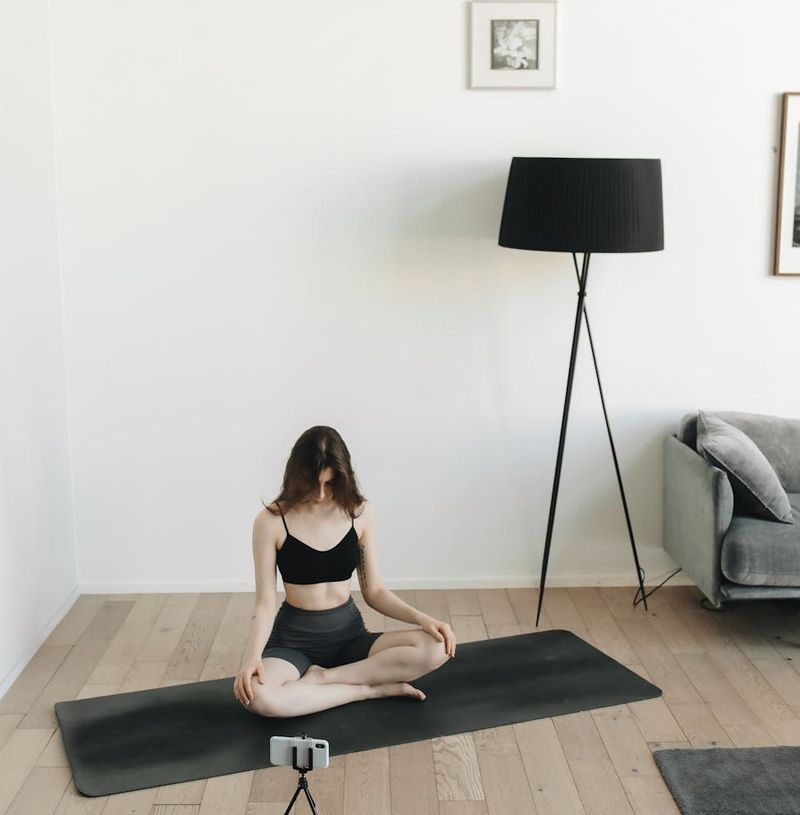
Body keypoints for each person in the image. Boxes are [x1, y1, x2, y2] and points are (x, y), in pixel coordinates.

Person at [233, 425, 456, 718]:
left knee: (437, 647)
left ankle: (323, 680)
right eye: (315, 483)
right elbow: (265, 602)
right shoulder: (271, 521)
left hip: (350, 638)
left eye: (330, 483)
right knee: (258, 696)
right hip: (293, 643)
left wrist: (424, 619)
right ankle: (367, 689)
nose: (322, 493)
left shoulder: (359, 513)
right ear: (296, 475)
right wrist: (251, 657)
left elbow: (374, 591)